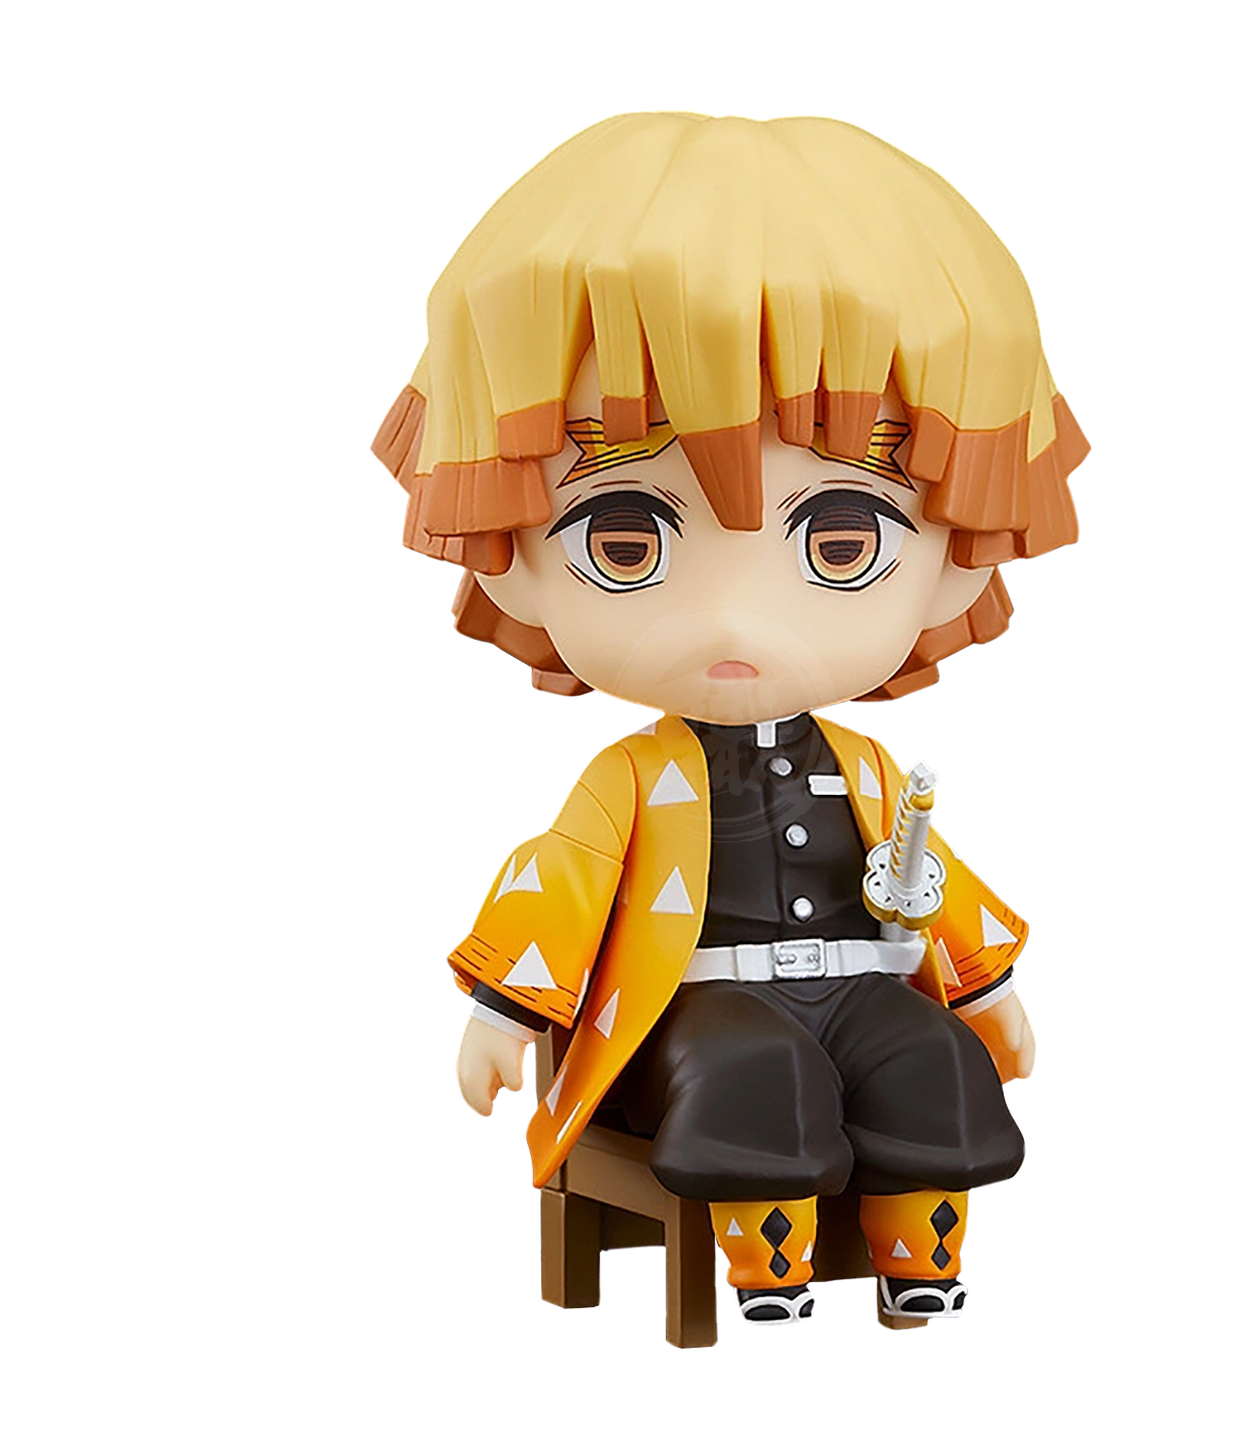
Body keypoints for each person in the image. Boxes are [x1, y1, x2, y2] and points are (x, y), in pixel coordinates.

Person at [368, 108, 1092, 1333]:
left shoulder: (871, 768)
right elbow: (559, 877)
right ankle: (766, 1267)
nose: (733, 615)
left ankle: (920, 1257)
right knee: (755, 1076)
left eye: (841, 539)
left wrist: (984, 990)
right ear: (507, 551)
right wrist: (503, 1006)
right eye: (624, 538)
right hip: (694, 1005)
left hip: (861, 986)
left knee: (935, 1060)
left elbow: (932, 879)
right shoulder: (629, 779)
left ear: (960, 555)